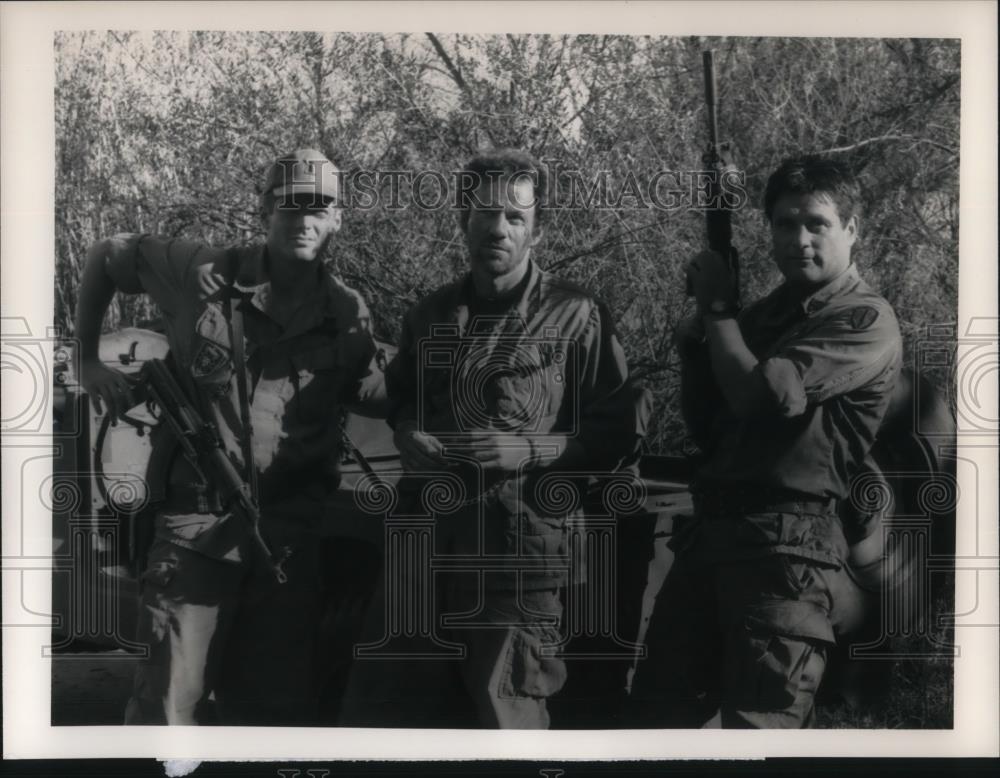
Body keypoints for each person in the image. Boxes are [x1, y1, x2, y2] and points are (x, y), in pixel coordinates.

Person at [75, 148, 386, 725]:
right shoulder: (203, 273)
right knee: (168, 709)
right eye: (288, 204)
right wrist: (88, 362)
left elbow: (373, 390)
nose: (303, 218)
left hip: (286, 541)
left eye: (318, 206)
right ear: (265, 208)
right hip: (197, 530)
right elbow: (104, 254)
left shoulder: (347, 311)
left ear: (338, 218)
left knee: (273, 715)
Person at [339, 149, 640, 728]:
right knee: (386, 712)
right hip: (423, 546)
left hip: (515, 555)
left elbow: (616, 432)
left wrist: (529, 449)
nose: (498, 229)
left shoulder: (576, 314)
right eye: (484, 213)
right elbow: (402, 398)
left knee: (508, 717)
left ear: (537, 229)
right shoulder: (430, 313)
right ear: (462, 219)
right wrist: (405, 432)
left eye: (515, 217)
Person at [629, 154, 903, 728]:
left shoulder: (863, 318)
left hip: (789, 554)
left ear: (852, 230)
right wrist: (698, 349)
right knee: (654, 723)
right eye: (784, 224)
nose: (798, 239)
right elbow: (708, 426)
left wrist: (720, 310)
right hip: (712, 541)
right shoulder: (760, 318)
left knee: (759, 732)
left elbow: (767, 399)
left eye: (816, 224)